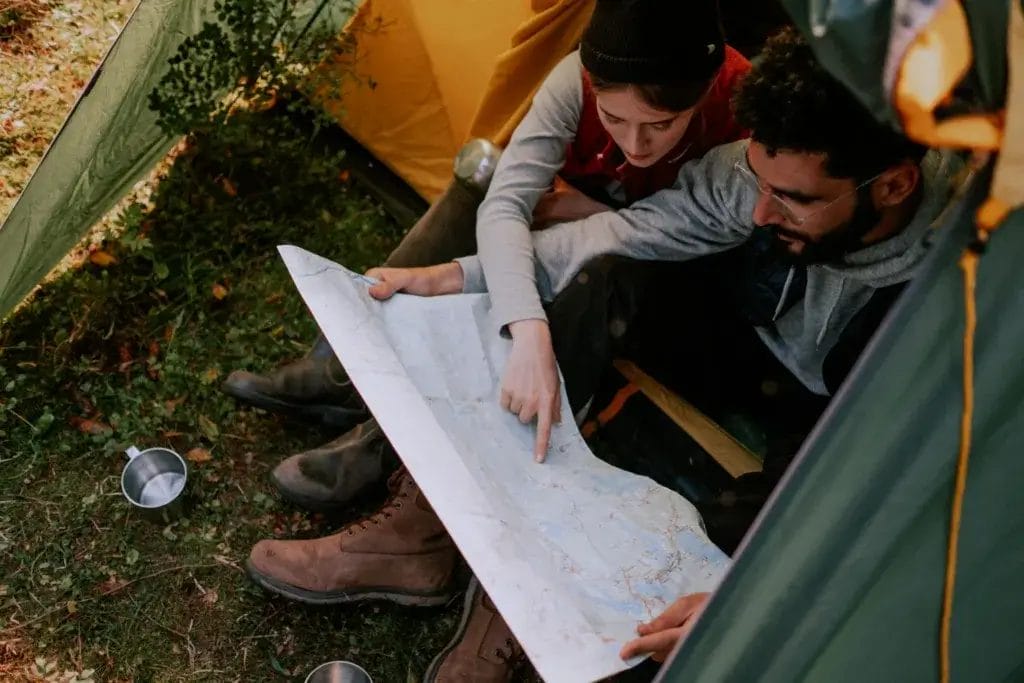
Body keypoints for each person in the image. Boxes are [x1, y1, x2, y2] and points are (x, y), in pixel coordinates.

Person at [246, 27, 963, 680]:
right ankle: (421, 533)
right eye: (758, 184)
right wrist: (459, 276)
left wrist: (750, 594)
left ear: (893, 185)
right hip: (734, 344)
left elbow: (901, 487)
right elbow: (622, 233)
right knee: (604, 279)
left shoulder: (957, 296)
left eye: (792, 200)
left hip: (833, 413)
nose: (758, 213)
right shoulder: (753, 179)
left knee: (768, 516)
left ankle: (561, 614)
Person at [225, 0, 750, 512]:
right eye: (613, 118)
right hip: (593, 223)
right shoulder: (575, 79)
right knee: (481, 181)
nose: (635, 145)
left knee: (583, 272)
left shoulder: (741, 121)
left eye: (661, 125)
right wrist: (525, 318)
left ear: (704, 91)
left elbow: (638, 236)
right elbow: (506, 203)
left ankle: (383, 446)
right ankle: (347, 370)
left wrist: (518, 299)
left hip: (661, 271)